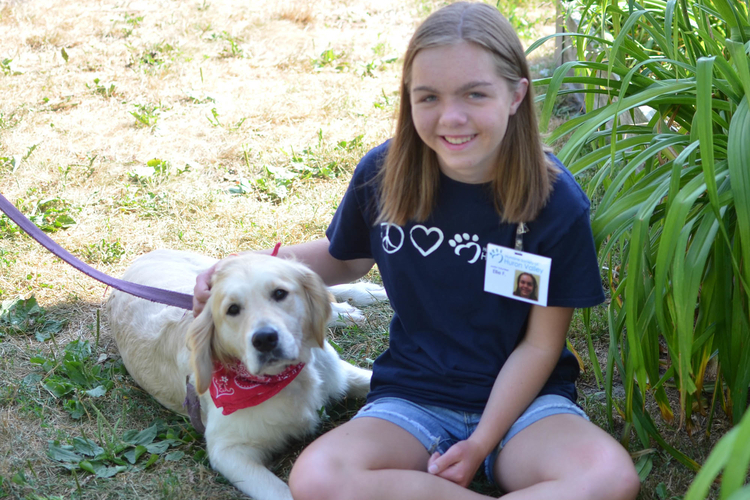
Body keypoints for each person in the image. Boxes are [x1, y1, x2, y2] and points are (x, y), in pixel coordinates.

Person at [193, 3, 640, 500]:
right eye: (428, 96)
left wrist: (481, 442)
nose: (452, 117)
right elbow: (345, 260)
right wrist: (238, 268)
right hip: (413, 396)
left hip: (525, 406)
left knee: (610, 479)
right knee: (318, 477)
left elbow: (540, 346)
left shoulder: (556, 204)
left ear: (516, 94)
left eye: (475, 93)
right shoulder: (384, 175)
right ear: (408, 98)